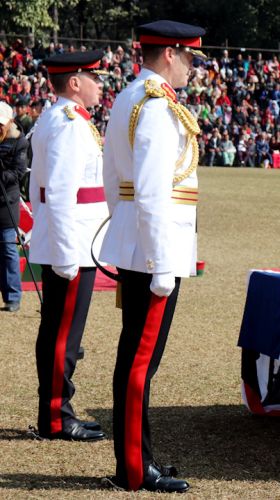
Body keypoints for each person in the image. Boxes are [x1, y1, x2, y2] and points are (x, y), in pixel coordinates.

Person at [100, 20, 206, 493]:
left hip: (138, 242)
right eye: (189, 58)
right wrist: (163, 262)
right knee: (141, 363)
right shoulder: (157, 105)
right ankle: (135, 469)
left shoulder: (129, 96)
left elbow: (113, 183)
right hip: (153, 252)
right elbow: (151, 189)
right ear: (169, 53)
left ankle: (136, 459)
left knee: (135, 359)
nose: (192, 67)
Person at [29, 50, 110, 442]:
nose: (100, 86)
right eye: (94, 79)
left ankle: (59, 410)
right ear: (74, 83)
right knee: (63, 335)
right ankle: (57, 417)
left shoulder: (62, 120)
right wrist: (64, 253)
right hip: (73, 245)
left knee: (62, 333)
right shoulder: (67, 125)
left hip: (76, 241)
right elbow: (59, 193)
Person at [0, 101, 27, 313]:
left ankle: (13, 296)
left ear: (9, 122)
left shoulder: (19, 142)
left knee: (8, 249)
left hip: (6, 204)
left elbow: (17, 173)